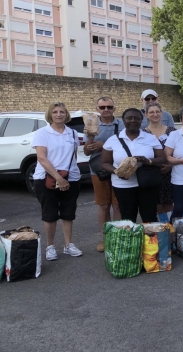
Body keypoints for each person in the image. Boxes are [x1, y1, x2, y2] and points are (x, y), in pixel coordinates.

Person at [33, 102, 83, 261]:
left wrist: (68, 175)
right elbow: (41, 158)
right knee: (50, 214)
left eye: (62, 111)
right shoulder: (42, 133)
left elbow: (73, 156)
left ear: (66, 114)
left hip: (71, 178)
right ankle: (50, 246)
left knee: (68, 212)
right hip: (46, 178)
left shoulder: (73, 133)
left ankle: (68, 245)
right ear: (50, 114)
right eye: (55, 112)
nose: (59, 114)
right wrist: (59, 178)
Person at [101, 108, 166, 222]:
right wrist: (117, 171)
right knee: (128, 218)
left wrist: (148, 161)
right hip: (123, 185)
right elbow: (104, 163)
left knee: (149, 216)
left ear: (142, 120)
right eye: (129, 118)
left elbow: (162, 158)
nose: (133, 121)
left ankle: (150, 239)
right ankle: (132, 240)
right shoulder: (113, 140)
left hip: (147, 183)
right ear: (123, 120)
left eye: (137, 118)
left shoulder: (150, 138)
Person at [83, 96, 124, 252]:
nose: (106, 110)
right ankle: (105, 238)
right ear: (97, 109)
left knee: (117, 205)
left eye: (109, 107)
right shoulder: (92, 125)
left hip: (118, 169)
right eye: (102, 107)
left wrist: (104, 145)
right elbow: (87, 152)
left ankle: (118, 236)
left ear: (114, 108)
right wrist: (91, 138)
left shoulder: (121, 124)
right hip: (98, 170)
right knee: (104, 206)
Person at [143, 102, 176, 215]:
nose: (155, 114)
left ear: (161, 113)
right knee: (155, 203)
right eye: (151, 112)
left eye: (157, 111)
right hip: (151, 172)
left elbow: (180, 152)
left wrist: (171, 165)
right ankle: (159, 229)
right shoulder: (142, 133)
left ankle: (169, 228)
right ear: (146, 115)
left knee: (168, 203)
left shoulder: (172, 131)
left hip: (169, 172)